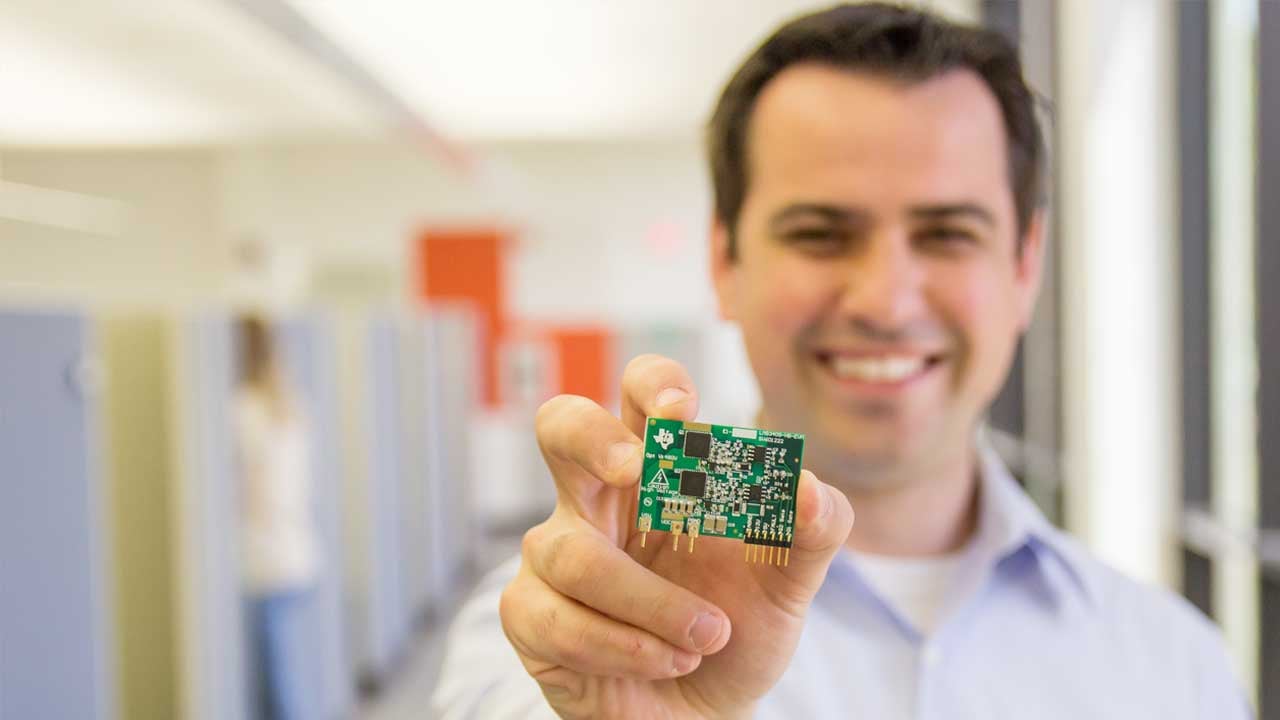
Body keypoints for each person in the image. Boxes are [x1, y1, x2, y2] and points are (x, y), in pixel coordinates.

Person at [431, 4, 1251, 718]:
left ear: (1024, 267)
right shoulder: (559, 639)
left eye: (947, 234)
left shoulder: (1177, 666)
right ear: (724, 262)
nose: (885, 302)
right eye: (820, 234)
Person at [234, 315, 321, 720]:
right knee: (281, 671)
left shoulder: (243, 412)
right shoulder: (289, 405)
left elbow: (248, 494)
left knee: (273, 683)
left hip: (261, 560)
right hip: (294, 551)